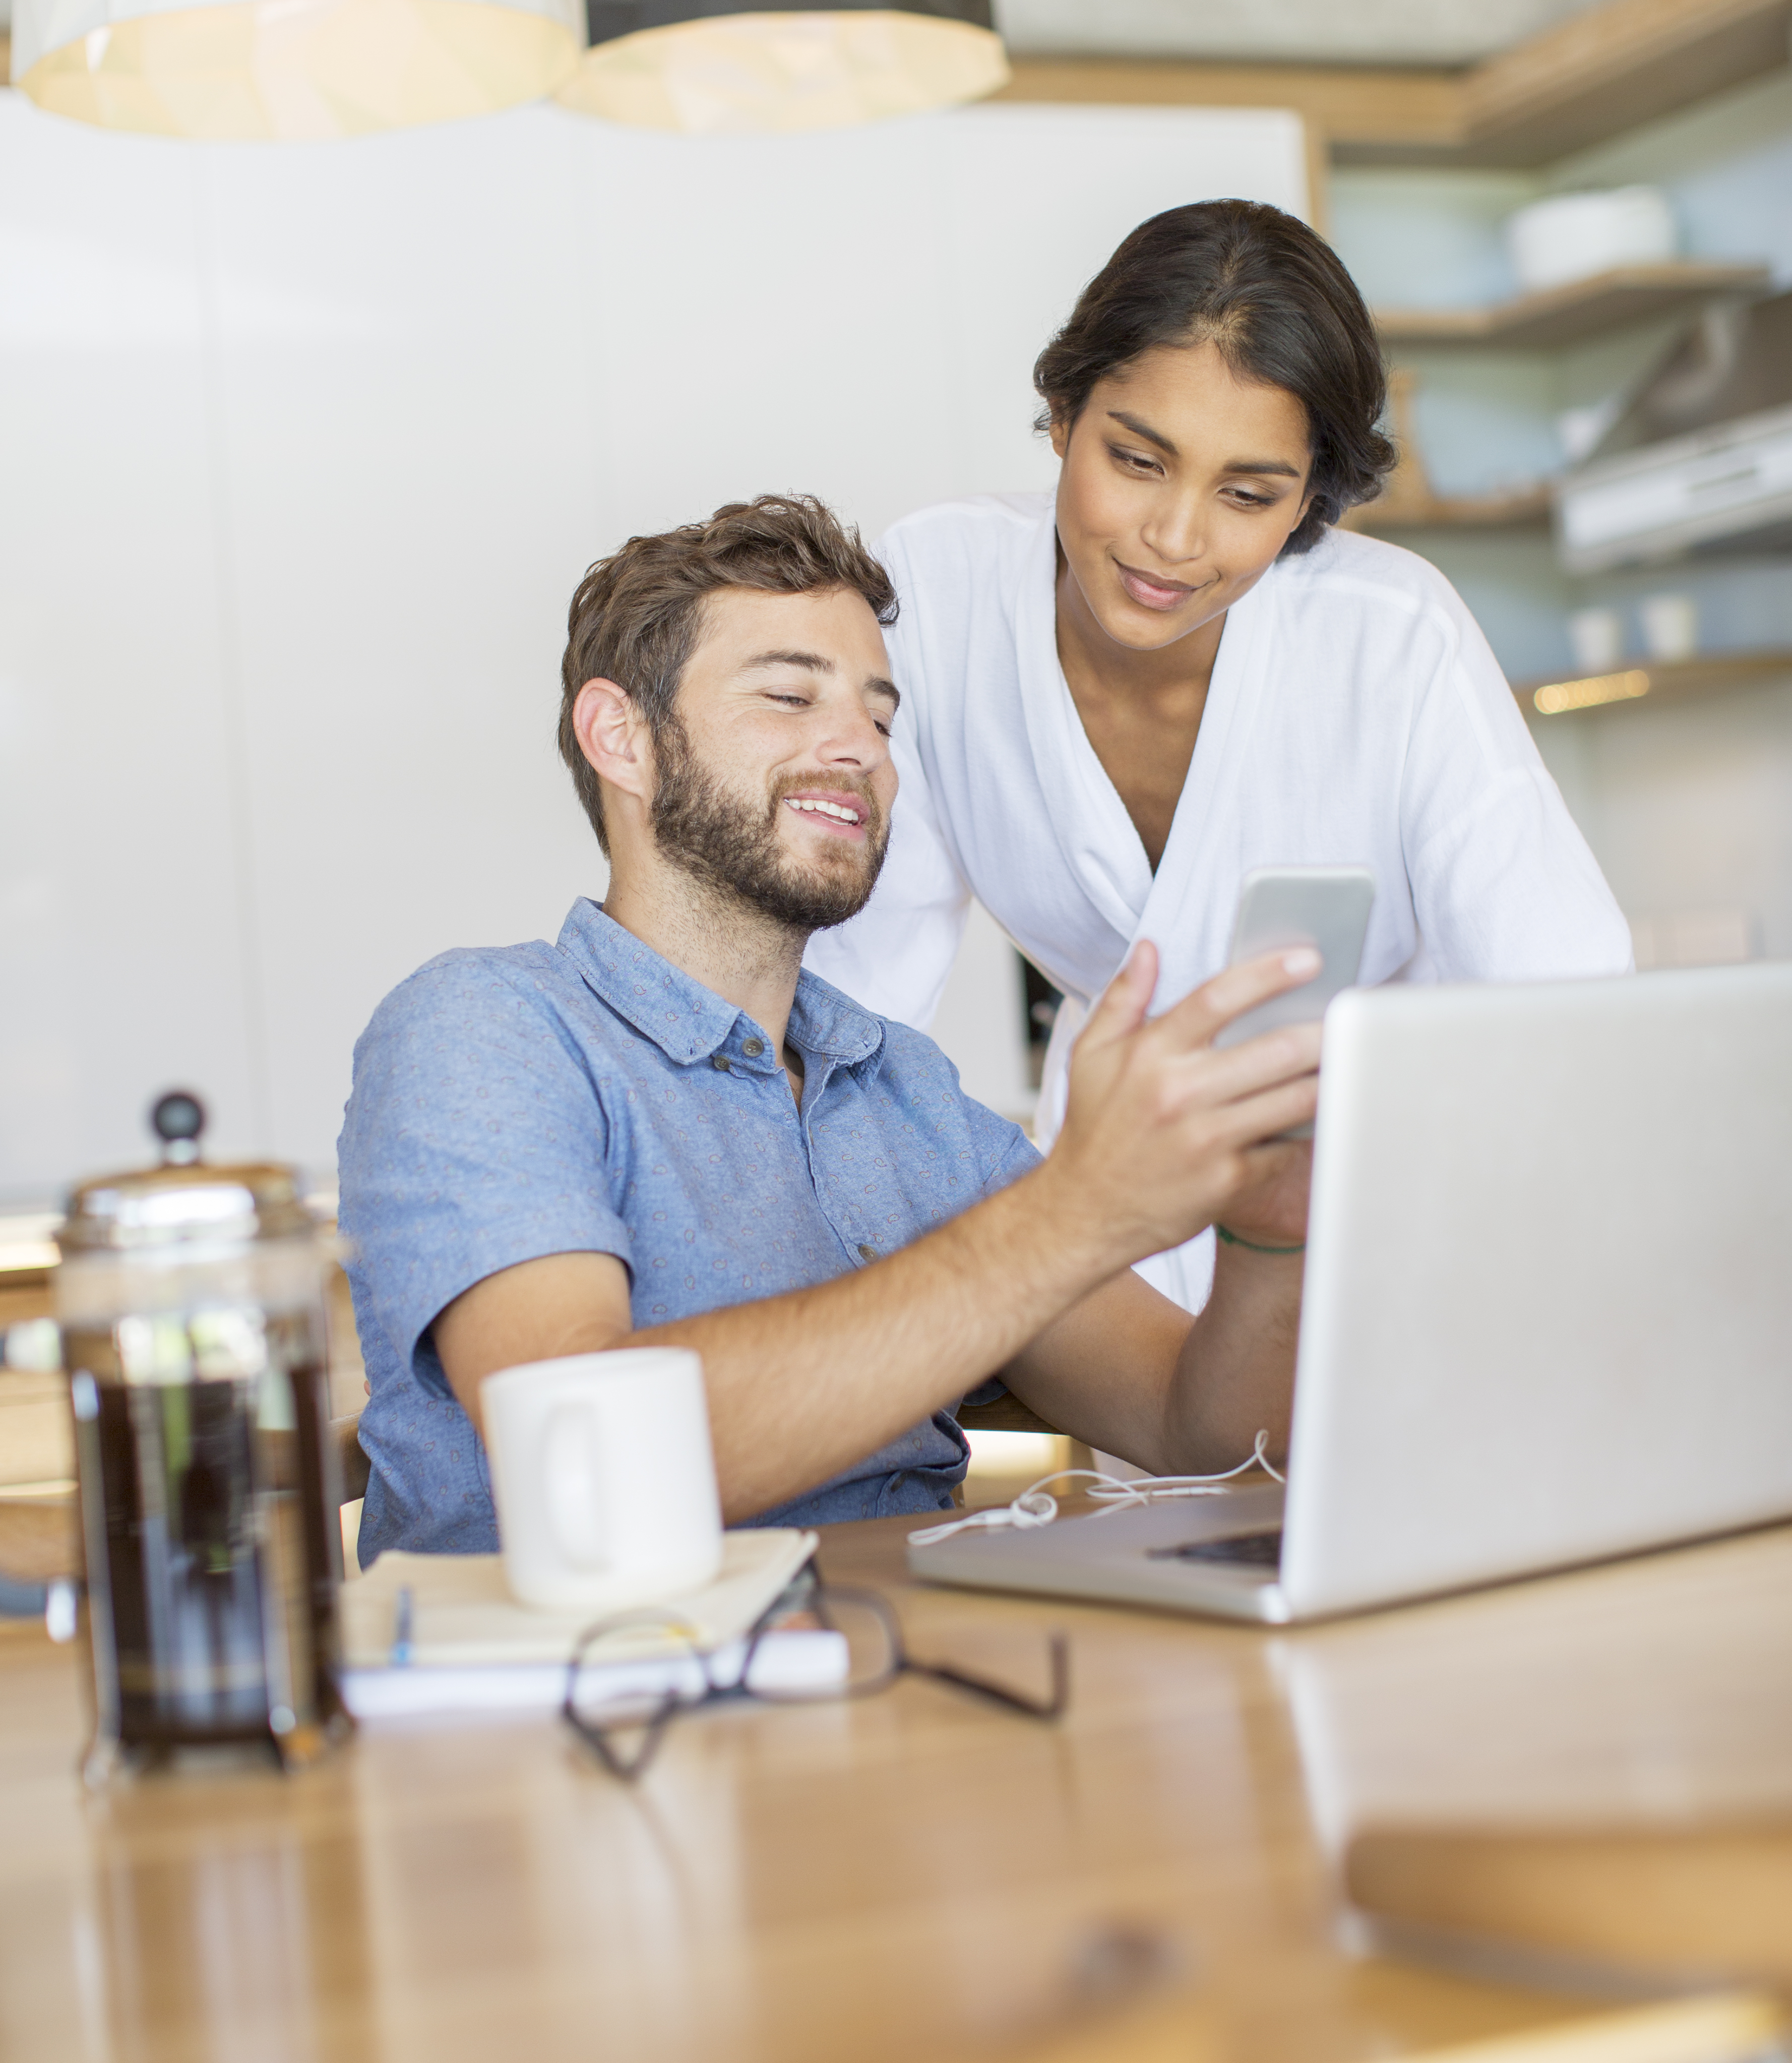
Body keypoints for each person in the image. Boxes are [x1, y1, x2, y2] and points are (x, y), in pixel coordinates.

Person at [338, 495, 1326, 1558]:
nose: (860, 748)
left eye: (880, 716)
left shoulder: (902, 1089)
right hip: (592, 1698)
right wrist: (1079, 1209)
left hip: (902, 1677)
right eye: (788, 695)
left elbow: (1205, 1433)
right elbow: (587, 1467)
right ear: (619, 737)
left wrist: (1270, 1223)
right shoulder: (487, 1029)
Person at [807, 200, 1632, 1308]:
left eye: (1248, 494)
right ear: (1061, 414)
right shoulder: (938, 596)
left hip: (1407, 1192)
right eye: (1136, 460)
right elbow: (851, 1008)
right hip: (1113, 1197)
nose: (1175, 538)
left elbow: (1563, 1008)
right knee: (1162, 1480)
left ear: (1308, 503)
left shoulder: (1391, 637)